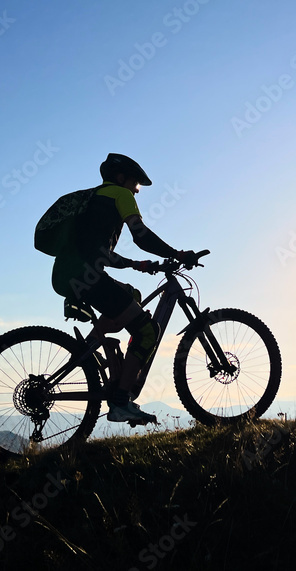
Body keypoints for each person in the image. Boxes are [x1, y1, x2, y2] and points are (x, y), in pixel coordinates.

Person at [51, 153, 197, 425]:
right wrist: (176, 254)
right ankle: (120, 402)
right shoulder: (120, 194)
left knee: (132, 297)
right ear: (121, 179)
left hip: (67, 274)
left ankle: (92, 349)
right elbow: (140, 236)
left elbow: (99, 253)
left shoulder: (94, 198)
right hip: (87, 276)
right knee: (146, 330)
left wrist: (135, 264)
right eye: (136, 184)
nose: (137, 191)